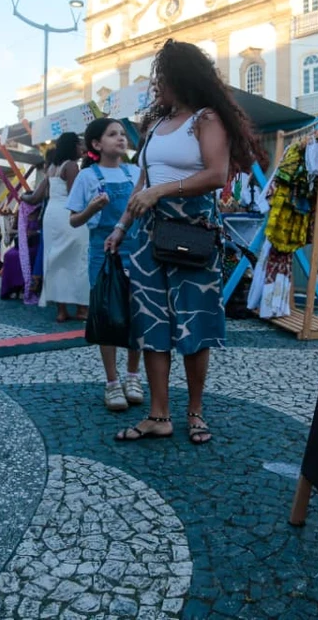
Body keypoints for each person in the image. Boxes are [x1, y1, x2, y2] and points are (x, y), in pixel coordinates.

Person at [110, 39, 266, 445]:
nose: (156, 85)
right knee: (151, 323)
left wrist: (162, 192)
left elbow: (216, 175)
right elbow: (143, 181)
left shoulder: (206, 118)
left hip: (192, 230)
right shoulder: (154, 126)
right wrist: (121, 227)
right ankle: (158, 414)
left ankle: (195, 411)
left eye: (163, 77)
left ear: (182, 77)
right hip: (147, 234)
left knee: (195, 319)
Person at [67, 118, 144, 412]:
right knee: (107, 314)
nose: (121, 139)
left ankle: (133, 376)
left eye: (123, 134)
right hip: (103, 254)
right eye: (113, 134)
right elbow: (74, 220)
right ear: (97, 145)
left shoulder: (135, 172)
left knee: (137, 313)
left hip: (136, 252)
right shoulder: (87, 177)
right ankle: (112, 381)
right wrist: (91, 208)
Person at [21, 133, 89, 323]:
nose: (82, 148)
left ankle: (61, 310)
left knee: (56, 260)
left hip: (52, 215)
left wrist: (22, 198)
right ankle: (82, 308)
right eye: (79, 144)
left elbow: (35, 197)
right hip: (69, 213)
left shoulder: (51, 167)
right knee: (78, 259)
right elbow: (75, 195)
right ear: (72, 146)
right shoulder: (72, 166)